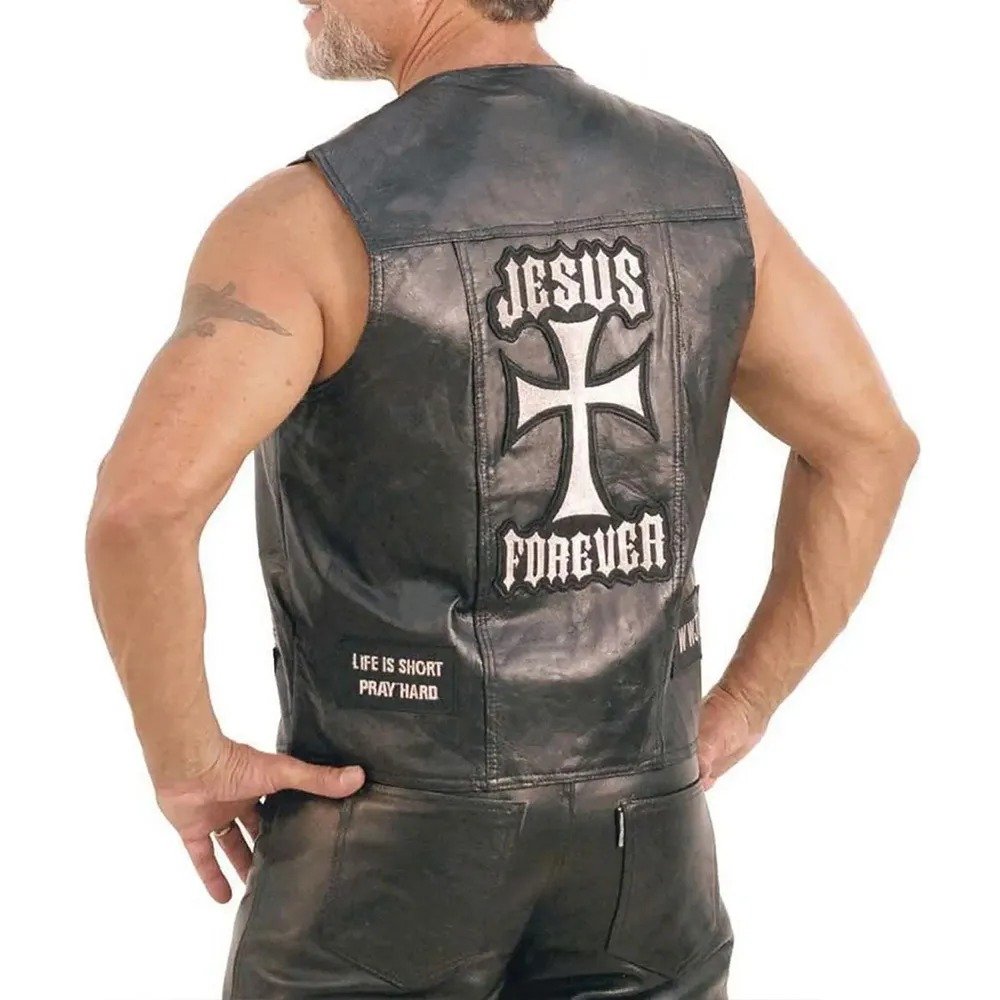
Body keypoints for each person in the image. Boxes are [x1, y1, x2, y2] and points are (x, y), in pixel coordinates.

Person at [84, 1, 920, 997]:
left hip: (384, 850)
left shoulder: (305, 224)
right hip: (646, 847)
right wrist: (742, 703)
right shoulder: (706, 193)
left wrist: (187, 763)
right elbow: (868, 446)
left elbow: (141, 508)